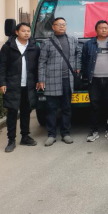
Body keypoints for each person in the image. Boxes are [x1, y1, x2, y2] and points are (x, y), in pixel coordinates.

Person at [37, 17, 81, 146]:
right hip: (52, 79)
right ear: (53, 27)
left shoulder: (73, 40)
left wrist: (78, 66)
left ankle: (65, 133)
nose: (61, 26)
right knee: (51, 108)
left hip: (68, 79)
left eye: (63, 24)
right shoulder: (47, 42)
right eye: (59, 24)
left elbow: (78, 54)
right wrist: (41, 79)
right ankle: (51, 135)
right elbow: (42, 62)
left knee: (67, 108)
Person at [0, 22, 39, 152]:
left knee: (26, 112)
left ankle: (25, 136)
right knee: (12, 113)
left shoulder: (34, 47)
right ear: (16, 32)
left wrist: (38, 81)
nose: (26, 33)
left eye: (28, 31)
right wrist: (2, 83)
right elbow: (1, 65)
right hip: (12, 84)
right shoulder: (8, 47)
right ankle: (11, 140)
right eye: (23, 31)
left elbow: (38, 66)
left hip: (28, 85)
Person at [81, 20, 108, 142]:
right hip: (94, 79)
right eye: (101, 28)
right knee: (94, 105)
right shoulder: (89, 44)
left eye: (106, 28)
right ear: (96, 30)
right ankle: (94, 130)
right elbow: (84, 61)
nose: (103, 30)